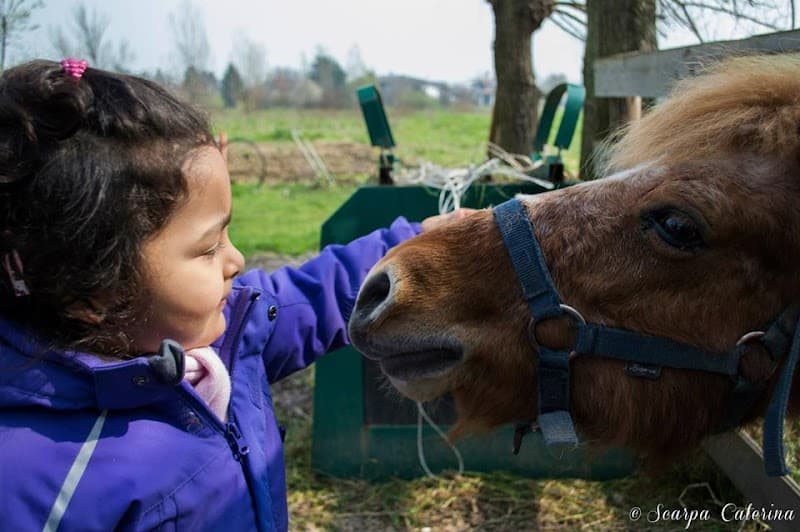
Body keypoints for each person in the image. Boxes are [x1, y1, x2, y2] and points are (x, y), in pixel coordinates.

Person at [0, 59, 468, 531]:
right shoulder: (49, 488)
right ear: (95, 289)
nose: (237, 260)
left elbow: (308, 296)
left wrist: (408, 246)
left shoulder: (220, 338)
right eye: (208, 248)